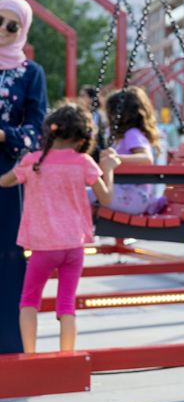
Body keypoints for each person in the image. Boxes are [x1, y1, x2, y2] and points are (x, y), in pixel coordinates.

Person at [0, 103, 119, 353]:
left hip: (43, 247)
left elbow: (4, 183)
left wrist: (21, 164)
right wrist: (108, 169)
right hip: (74, 246)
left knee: (29, 302)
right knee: (66, 304)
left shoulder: (33, 162)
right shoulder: (84, 162)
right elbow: (106, 197)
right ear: (80, 136)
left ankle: (31, 355)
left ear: (49, 132)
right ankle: (67, 356)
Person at [0, 0, 47, 355]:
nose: (2, 30)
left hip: (8, 173)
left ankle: (9, 346)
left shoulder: (32, 73)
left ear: (22, 31)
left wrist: (6, 135)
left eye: (11, 25)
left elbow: (36, 128)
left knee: (10, 255)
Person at [101, 87, 166, 215]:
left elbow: (146, 159)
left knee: (86, 193)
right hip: (127, 194)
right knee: (88, 192)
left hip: (134, 196)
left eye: (110, 112)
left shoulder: (132, 134)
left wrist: (117, 158)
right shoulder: (123, 137)